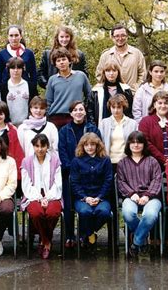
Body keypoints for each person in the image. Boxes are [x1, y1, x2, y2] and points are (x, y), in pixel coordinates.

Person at [58, 101, 101, 247]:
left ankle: (85, 233)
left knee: (87, 206)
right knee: (69, 206)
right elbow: (62, 152)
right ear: (70, 113)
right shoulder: (64, 131)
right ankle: (69, 235)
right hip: (69, 174)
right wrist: (75, 168)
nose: (78, 112)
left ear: (85, 112)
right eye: (75, 110)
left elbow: (99, 151)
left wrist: (87, 168)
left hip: (90, 174)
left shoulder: (93, 129)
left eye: (81, 109)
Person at [117, 131, 162, 257]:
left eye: (139, 142)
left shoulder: (152, 161)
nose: (136, 145)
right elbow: (121, 182)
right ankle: (143, 236)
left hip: (152, 197)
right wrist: (131, 194)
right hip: (131, 197)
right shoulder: (122, 163)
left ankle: (136, 243)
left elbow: (157, 180)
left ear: (144, 145)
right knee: (128, 214)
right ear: (128, 145)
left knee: (150, 215)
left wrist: (147, 195)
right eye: (133, 142)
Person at [21, 134, 62, 259]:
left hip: (52, 195)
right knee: (36, 213)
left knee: (53, 213)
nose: (40, 149)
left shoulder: (54, 160)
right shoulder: (27, 161)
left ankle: (43, 241)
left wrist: (47, 197)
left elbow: (58, 182)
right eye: (37, 146)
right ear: (33, 147)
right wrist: (39, 198)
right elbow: (26, 184)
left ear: (47, 146)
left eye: (43, 146)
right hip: (33, 195)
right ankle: (46, 241)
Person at [70, 132, 113, 246]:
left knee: (104, 212)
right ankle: (89, 234)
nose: (90, 147)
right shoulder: (77, 161)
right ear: (82, 146)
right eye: (87, 145)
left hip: (101, 197)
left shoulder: (105, 160)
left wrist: (99, 197)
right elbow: (74, 183)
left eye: (92, 144)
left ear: (97, 145)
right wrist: (85, 198)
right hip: (82, 198)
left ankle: (87, 233)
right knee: (85, 212)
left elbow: (108, 180)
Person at [46, 47, 91, 129]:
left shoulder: (81, 76)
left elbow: (89, 95)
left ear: (69, 61)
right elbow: (48, 102)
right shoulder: (52, 80)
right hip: (56, 117)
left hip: (76, 116)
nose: (61, 62)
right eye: (58, 61)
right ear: (55, 64)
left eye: (64, 59)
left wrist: (83, 109)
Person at [96, 24, 146, 93]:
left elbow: (143, 74)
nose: (120, 38)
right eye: (117, 36)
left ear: (127, 36)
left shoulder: (137, 54)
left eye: (123, 35)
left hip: (133, 95)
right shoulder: (106, 55)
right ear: (112, 37)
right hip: (111, 98)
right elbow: (99, 75)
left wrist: (136, 88)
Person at [99, 94, 138, 171]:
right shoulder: (103, 123)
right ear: (110, 107)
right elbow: (100, 144)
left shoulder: (132, 123)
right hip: (108, 163)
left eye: (119, 107)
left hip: (127, 163)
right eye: (113, 107)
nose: (116, 110)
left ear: (123, 107)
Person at [88, 61, 133, 127]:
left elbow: (130, 111)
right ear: (104, 73)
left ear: (118, 72)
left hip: (122, 127)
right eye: (108, 71)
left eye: (114, 70)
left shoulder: (125, 90)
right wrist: (94, 129)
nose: (111, 73)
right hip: (102, 127)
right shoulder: (96, 90)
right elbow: (90, 112)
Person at [0, 25, 37, 91]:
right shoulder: (1, 54)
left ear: (21, 36)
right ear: (8, 37)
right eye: (11, 35)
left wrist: (32, 88)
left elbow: (33, 73)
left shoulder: (29, 53)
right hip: (6, 91)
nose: (14, 38)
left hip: (26, 90)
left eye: (16, 35)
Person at [0, 57, 38, 126]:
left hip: (28, 125)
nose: (16, 70)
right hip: (9, 126)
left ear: (22, 70)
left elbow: (36, 105)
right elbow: (1, 108)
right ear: (8, 70)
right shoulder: (3, 87)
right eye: (13, 68)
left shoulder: (30, 86)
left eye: (18, 68)